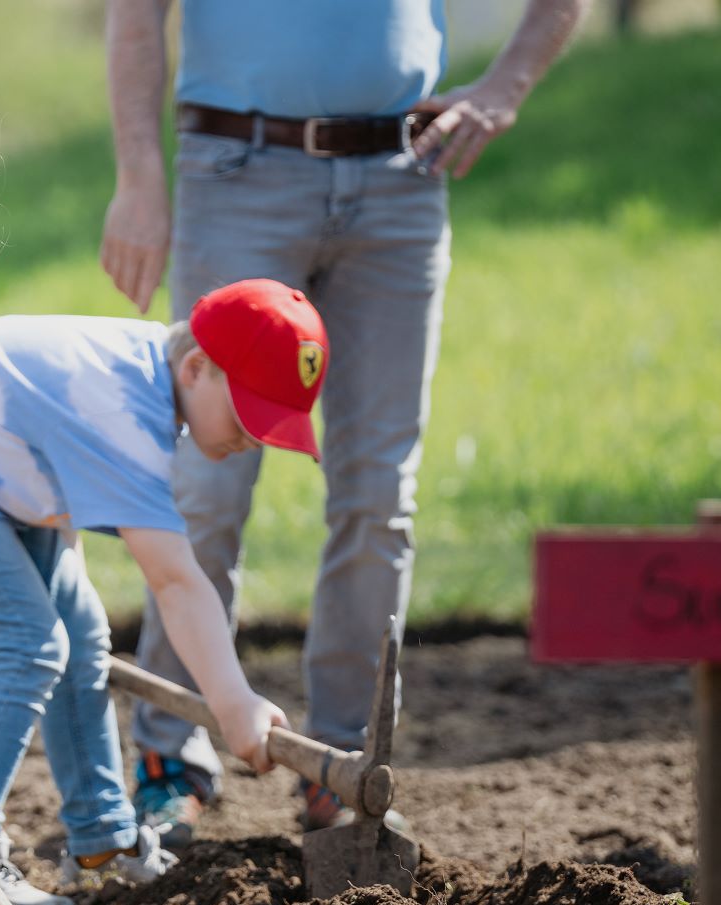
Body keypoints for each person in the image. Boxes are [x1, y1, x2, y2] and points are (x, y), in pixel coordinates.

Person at [100, 0, 586, 845]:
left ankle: (342, 767)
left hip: (401, 183)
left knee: (377, 492)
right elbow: (136, 14)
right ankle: (169, 757)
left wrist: (507, 86)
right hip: (236, 169)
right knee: (206, 484)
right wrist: (140, 178)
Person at [0, 278, 324, 905]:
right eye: (250, 414)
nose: (257, 437)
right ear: (197, 369)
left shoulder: (151, 384)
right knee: (31, 644)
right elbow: (176, 581)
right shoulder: (122, 410)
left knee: (81, 637)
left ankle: (101, 841)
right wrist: (234, 703)